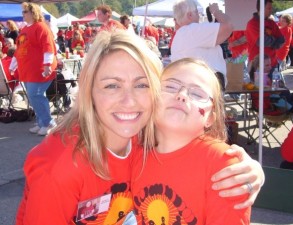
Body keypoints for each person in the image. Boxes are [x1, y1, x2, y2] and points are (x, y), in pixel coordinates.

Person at [15, 30, 264, 225]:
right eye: (112, 85)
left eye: (142, 85)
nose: (129, 100)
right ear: (89, 91)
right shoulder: (61, 167)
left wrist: (252, 170)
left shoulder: (142, 136)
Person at [132, 58, 251, 224]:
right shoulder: (135, 154)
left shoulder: (221, 163)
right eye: (170, 86)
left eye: (197, 94)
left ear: (210, 118)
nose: (181, 95)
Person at [9, 2, 57, 136]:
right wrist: (13, 65)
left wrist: (47, 65)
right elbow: (19, 49)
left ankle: (48, 123)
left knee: (35, 95)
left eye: (25, 12)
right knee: (33, 96)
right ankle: (41, 122)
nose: (22, 15)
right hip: (27, 70)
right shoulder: (24, 29)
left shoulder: (41, 27)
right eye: (23, 12)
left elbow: (48, 47)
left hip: (39, 69)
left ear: (33, 13)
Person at [171, 0, 233, 91]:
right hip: (205, 86)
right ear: (190, 15)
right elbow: (229, 25)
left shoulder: (181, 34)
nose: (199, 16)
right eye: (197, 12)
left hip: (193, 85)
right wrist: (216, 11)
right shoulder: (192, 30)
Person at [245, 0, 284, 70]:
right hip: (258, 65)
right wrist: (275, 41)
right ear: (261, 8)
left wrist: (271, 41)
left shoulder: (272, 23)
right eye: (269, 8)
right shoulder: (252, 23)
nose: (271, 10)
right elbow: (262, 42)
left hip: (273, 63)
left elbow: (282, 40)